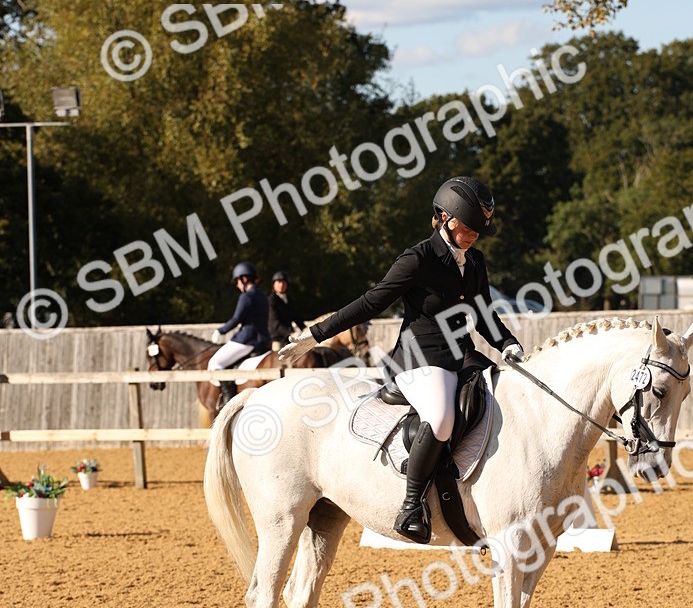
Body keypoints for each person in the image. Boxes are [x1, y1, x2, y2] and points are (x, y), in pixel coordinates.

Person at [280, 176, 524, 543]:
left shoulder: (474, 263)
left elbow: (484, 313)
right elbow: (370, 302)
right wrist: (314, 335)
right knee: (441, 417)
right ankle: (411, 505)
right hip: (419, 358)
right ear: (444, 218)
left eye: (479, 229)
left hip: (461, 356)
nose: (474, 234)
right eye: (468, 227)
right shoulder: (418, 259)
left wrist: (507, 343)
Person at [209, 262, 272, 406]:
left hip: (247, 340)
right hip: (264, 340)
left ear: (243, 279)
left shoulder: (246, 296)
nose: (237, 285)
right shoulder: (263, 295)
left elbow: (237, 319)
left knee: (215, 363)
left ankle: (227, 400)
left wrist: (221, 331)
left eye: (237, 281)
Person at [267, 271, 305, 350]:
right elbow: (275, 324)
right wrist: (290, 333)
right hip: (277, 339)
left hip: (289, 338)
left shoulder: (289, 300)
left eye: (284, 282)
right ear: (273, 284)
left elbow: (297, 318)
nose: (281, 285)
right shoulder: (271, 300)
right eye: (279, 282)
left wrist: (306, 329)